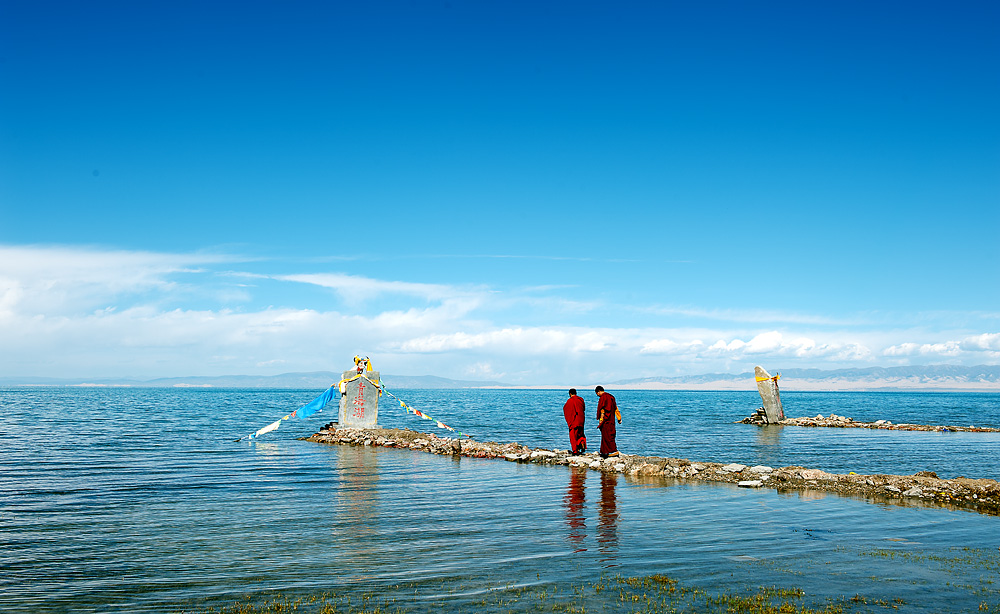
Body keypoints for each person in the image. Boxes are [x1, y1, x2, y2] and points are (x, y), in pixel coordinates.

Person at [595, 386, 621, 458]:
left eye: (597, 393)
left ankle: (612, 451)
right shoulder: (611, 397)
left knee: (606, 436)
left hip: (606, 420)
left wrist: (601, 420)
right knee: (610, 435)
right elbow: (615, 408)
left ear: (599, 391)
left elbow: (602, 410)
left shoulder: (603, 398)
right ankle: (605, 452)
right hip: (611, 419)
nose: (597, 395)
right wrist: (619, 418)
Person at [562, 388, 587, 454]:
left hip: (574, 420)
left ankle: (576, 450)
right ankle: (582, 443)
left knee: (573, 435)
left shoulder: (570, 401)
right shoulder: (581, 399)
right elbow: (583, 408)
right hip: (581, 419)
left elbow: (566, 409)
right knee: (580, 433)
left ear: (570, 394)